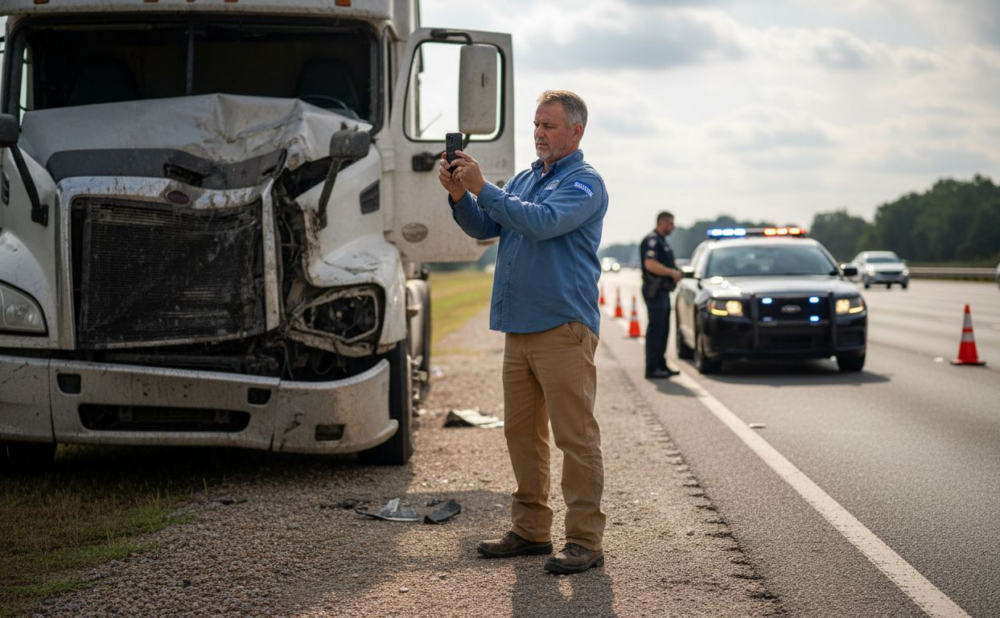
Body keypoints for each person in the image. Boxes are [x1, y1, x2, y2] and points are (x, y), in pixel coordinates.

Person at [439, 90, 608, 575]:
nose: (539, 133)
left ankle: (585, 541)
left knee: (574, 437)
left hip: (562, 326)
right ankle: (531, 530)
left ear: (576, 130)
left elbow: (541, 222)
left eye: (549, 125)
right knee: (522, 434)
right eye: (536, 124)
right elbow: (485, 227)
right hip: (519, 326)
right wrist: (460, 194)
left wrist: (483, 186)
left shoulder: (584, 182)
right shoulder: (525, 179)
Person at [640, 211, 684, 379]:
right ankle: (652, 367)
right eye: (671, 223)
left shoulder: (662, 241)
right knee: (656, 329)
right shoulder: (652, 241)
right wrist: (671, 273)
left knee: (664, 329)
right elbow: (650, 264)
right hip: (655, 290)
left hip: (663, 291)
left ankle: (661, 364)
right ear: (662, 222)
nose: (673, 226)